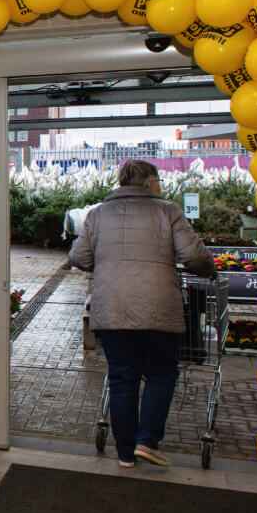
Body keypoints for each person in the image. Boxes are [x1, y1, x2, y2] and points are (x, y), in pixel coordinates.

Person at [68, 159, 214, 468]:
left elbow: (78, 257)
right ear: (149, 183)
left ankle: (124, 454)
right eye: (158, 181)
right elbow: (193, 256)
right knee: (161, 372)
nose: (161, 186)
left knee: (122, 379)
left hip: (112, 309)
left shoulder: (97, 214)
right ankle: (147, 441)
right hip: (159, 308)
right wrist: (208, 270)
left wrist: (108, 266)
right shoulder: (168, 210)